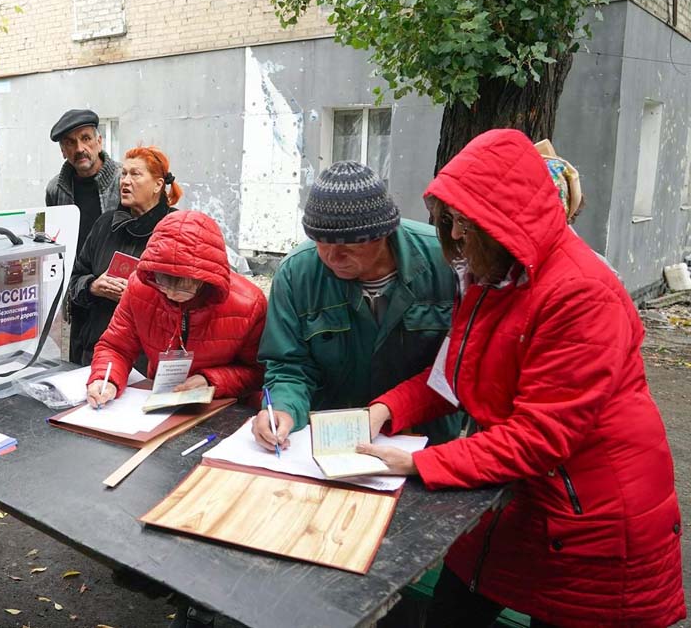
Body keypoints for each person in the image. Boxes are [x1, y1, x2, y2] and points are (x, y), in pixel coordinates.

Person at [356, 129, 685, 628]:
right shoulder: (493, 277)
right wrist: (386, 410)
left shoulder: (580, 293)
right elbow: (453, 376)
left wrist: (420, 461)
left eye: (468, 223)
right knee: (450, 611)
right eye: (452, 221)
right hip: (512, 498)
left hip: (589, 516)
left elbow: (542, 436)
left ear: (507, 221)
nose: (458, 236)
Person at [254, 160, 461, 452]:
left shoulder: (446, 262)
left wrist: (389, 411)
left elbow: (459, 368)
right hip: (332, 444)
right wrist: (284, 408)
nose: (331, 256)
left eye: (348, 244)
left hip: (426, 442)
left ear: (384, 233)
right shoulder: (296, 273)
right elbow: (289, 365)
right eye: (320, 241)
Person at [85, 209, 266, 407]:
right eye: (163, 284)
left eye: (183, 289)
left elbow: (259, 372)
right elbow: (116, 347)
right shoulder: (141, 288)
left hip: (222, 408)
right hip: (159, 401)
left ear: (205, 280)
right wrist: (106, 378)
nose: (171, 294)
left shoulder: (249, 304)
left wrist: (211, 380)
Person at [66, 145, 181, 365]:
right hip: (99, 352)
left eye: (135, 174)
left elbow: (189, 298)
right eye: (124, 174)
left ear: (158, 185)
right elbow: (74, 279)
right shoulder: (105, 224)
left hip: (148, 359)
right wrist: (92, 286)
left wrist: (140, 296)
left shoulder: (176, 229)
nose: (125, 181)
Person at [45, 108, 121, 254]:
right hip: (73, 275)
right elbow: (53, 242)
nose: (79, 149)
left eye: (86, 138)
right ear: (63, 151)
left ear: (99, 142)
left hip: (114, 275)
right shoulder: (55, 189)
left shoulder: (123, 180)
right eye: (70, 143)